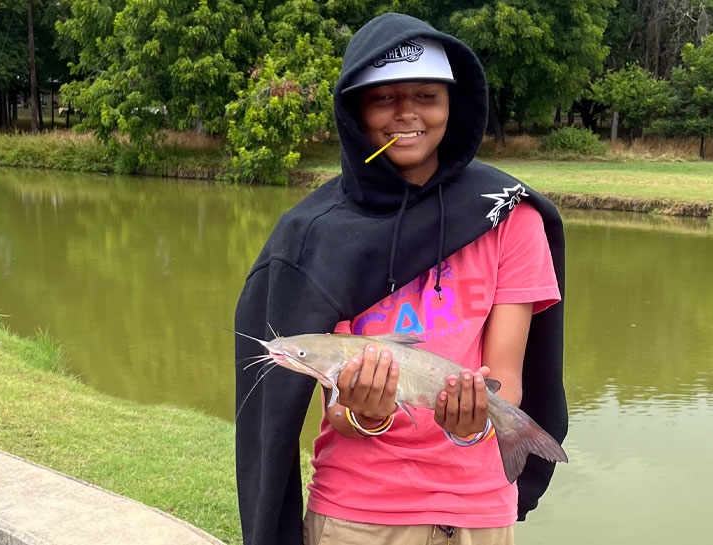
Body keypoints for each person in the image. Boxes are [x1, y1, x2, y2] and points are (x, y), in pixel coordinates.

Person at [234, 12, 567, 545]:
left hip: (479, 511)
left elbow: (508, 382)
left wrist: (473, 423)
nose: (406, 114)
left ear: (452, 106)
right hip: (358, 513)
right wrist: (367, 415)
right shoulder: (317, 232)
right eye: (383, 97)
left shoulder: (510, 216)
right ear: (355, 110)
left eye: (426, 96)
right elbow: (337, 413)